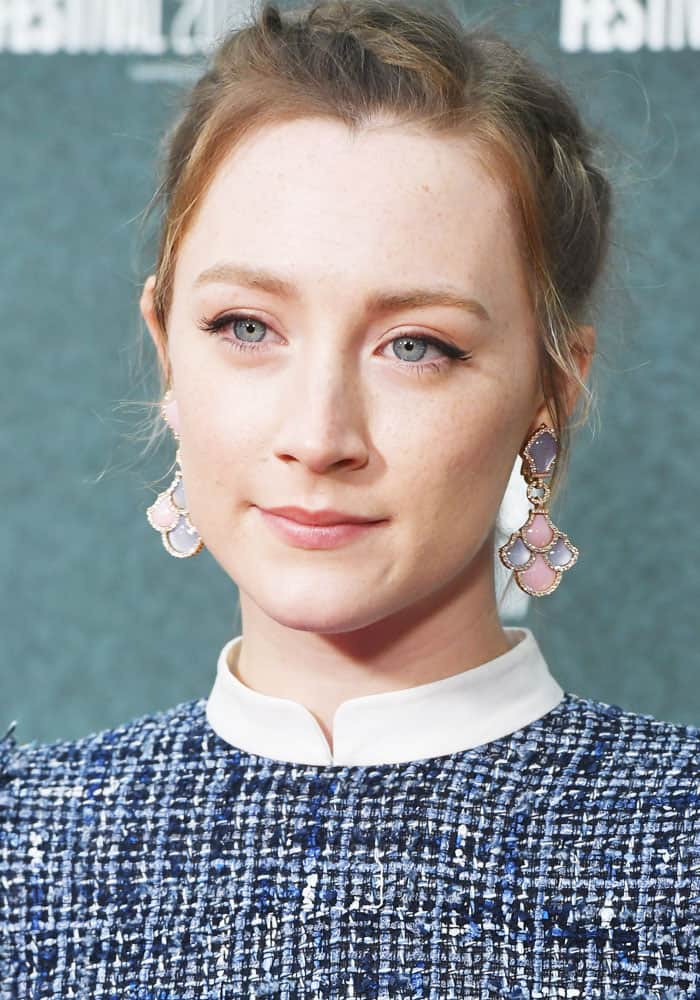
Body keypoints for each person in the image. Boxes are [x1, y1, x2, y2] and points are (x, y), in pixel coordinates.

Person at [2, 0, 698, 995]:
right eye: (247, 327)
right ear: (166, 349)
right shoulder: (23, 846)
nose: (318, 435)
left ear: (552, 388)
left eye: (415, 345)